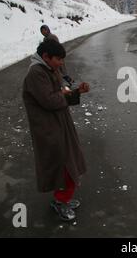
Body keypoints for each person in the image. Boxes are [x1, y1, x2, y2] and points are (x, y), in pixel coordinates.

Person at [22, 38, 90, 221]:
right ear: (46, 56)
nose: (61, 64)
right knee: (63, 165)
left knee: (68, 160)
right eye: (58, 59)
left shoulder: (49, 68)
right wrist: (67, 94)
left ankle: (63, 199)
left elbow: (61, 92)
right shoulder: (36, 73)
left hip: (59, 123)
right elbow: (50, 100)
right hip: (48, 127)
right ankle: (60, 202)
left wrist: (76, 92)